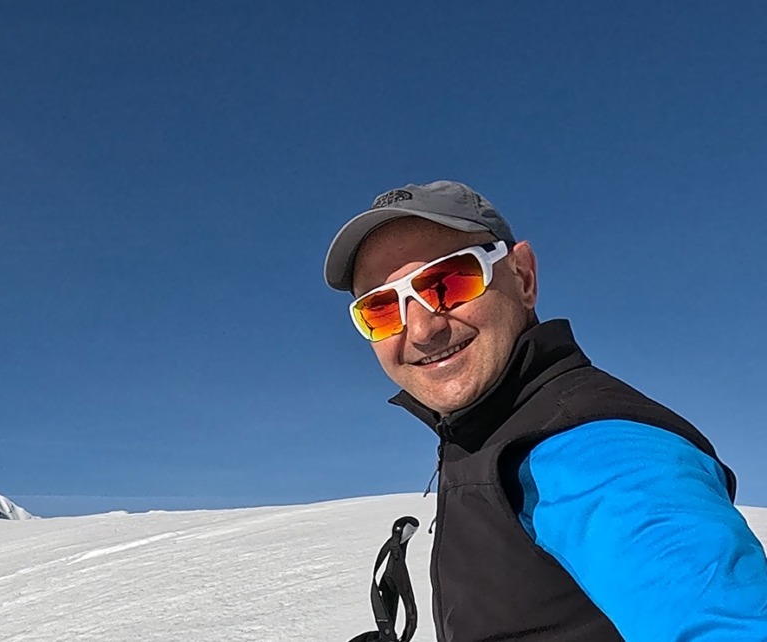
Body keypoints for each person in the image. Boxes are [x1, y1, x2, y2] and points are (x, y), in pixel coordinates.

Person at [323, 181, 767, 640]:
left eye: (448, 282)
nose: (420, 329)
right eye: (381, 309)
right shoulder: (486, 436)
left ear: (523, 277)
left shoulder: (592, 450)